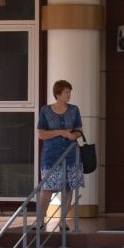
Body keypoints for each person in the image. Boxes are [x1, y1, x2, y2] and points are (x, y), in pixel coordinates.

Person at [38, 80, 86, 235]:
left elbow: (79, 130)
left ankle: (63, 219)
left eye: (70, 91)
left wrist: (73, 135)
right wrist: (61, 132)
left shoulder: (74, 110)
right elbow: (41, 134)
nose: (69, 95)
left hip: (71, 154)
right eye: (66, 92)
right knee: (47, 188)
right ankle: (40, 219)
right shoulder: (45, 110)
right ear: (58, 94)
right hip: (51, 155)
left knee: (68, 188)